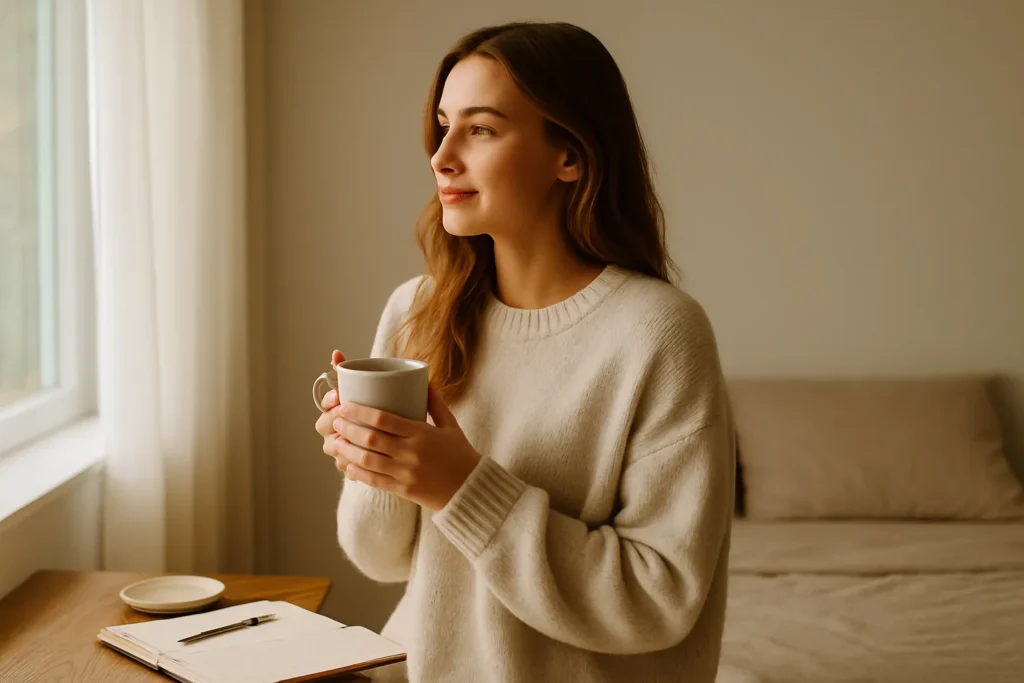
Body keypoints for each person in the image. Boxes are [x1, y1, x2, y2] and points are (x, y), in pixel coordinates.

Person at [314, 21, 735, 683]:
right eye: (444, 125)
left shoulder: (659, 333)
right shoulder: (417, 310)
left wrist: (460, 485)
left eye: (480, 129)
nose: (442, 155)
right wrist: (376, 463)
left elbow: (659, 598)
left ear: (570, 155)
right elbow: (381, 557)